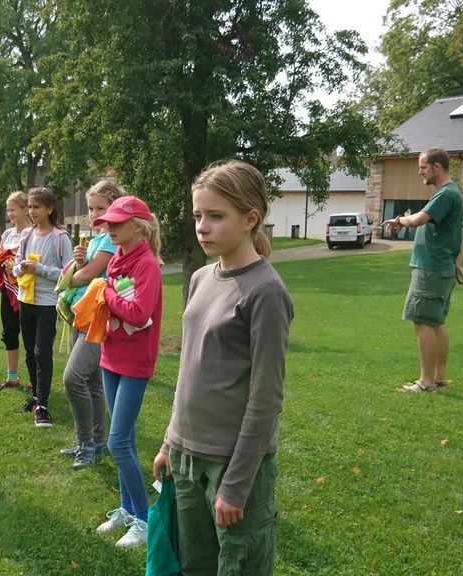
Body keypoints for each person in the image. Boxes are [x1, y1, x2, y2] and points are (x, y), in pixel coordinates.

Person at [152, 160, 294, 574]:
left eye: (216, 216)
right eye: (198, 215)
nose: (202, 227)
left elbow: (266, 398)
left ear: (251, 219)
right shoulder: (200, 278)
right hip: (187, 456)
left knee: (237, 565)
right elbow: (190, 371)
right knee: (194, 565)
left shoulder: (266, 291)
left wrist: (236, 485)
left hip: (233, 464)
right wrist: (170, 443)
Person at [91, 195, 163, 548]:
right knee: (126, 440)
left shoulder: (147, 264)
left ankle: (145, 520)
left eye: (116, 223)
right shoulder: (117, 260)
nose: (109, 228)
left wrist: (105, 294)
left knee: (117, 442)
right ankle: (126, 508)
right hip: (111, 356)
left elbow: (138, 313)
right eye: (107, 223)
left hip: (135, 362)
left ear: (139, 227)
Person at [383, 147, 463, 393]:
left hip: (431, 268)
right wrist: (457, 263)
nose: (420, 172)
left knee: (423, 322)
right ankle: (438, 378)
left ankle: (426, 382)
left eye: (423, 167)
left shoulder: (445, 193)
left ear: (436, 167)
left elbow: (418, 219)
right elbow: (458, 234)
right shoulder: (451, 193)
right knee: (435, 322)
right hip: (440, 267)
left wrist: (398, 220)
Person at [59, 179, 124, 469]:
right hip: (82, 312)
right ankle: (96, 441)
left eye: (101, 208)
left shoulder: (110, 238)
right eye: (90, 208)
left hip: (97, 316)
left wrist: (64, 280)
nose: (94, 214)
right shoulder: (98, 237)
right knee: (92, 382)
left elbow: (88, 276)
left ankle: (85, 442)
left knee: (73, 379)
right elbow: (85, 269)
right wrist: (79, 260)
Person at [12, 187, 73, 427]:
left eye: (36, 207)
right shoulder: (27, 235)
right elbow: (15, 267)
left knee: (42, 352)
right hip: (25, 300)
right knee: (29, 352)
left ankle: (43, 406)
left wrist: (40, 269)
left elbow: (67, 273)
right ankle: (37, 396)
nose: (31, 211)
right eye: (29, 206)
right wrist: (21, 268)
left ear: (50, 209)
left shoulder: (60, 237)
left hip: (47, 303)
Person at [0, 191, 31, 392]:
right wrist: (3, 260)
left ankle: (35, 378)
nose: (10, 214)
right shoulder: (7, 234)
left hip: (26, 290)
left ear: (26, 210)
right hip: (7, 291)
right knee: (9, 332)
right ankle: (12, 377)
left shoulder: (32, 233)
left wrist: (15, 263)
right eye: (8, 210)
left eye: (13, 209)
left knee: (30, 335)